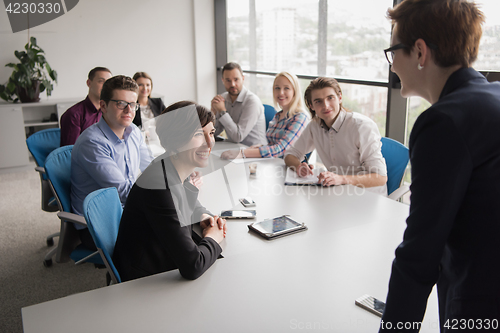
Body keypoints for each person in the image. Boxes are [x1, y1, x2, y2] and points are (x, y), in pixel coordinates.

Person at [380, 1, 500, 331]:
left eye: (393, 53)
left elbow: (419, 258)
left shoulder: (444, 122)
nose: (391, 67)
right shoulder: (493, 98)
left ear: (420, 52)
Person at [113, 101, 226, 282]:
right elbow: (193, 266)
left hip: (162, 256)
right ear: (176, 139)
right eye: (198, 134)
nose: (208, 142)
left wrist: (202, 215)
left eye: (211, 133)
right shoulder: (158, 185)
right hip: (146, 279)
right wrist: (213, 238)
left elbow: (185, 199)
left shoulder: (172, 163)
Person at [71, 75, 153, 249]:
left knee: (176, 222)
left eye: (133, 104)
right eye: (120, 103)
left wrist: (178, 176)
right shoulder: (92, 142)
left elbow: (151, 168)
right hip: (101, 222)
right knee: (166, 235)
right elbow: (122, 191)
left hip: (126, 208)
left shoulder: (133, 132)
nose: (128, 110)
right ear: (103, 106)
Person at [284, 77, 387, 194]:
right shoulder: (314, 126)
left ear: (340, 97)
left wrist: (341, 179)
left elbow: (380, 178)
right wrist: (299, 167)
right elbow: (290, 154)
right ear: (311, 106)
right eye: (318, 101)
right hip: (337, 193)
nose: (326, 105)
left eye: (330, 98)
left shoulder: (361, 127)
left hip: (368, 196)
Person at [220, 71, 309, 159]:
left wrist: (243, 153)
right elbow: (271, 144)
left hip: (290, 168)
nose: (281, 92)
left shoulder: (300, 117)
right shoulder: (278, 115)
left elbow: (281, 149)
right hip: (271, 164)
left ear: (295, 91)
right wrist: (260, 147)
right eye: (277, 88)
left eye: (286, 88)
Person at [211, 62, 267, 146]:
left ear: (243, 78)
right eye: (228, 80)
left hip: (256, 152)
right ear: (223, 80)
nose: (233, 84)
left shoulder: (252, 101)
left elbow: (238, 137)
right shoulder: (223, 98)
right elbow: (214, 133)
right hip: (235, 148)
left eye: (236, 79)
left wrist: (222, 112)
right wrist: (213, 114)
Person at [59, 67, 112, 146]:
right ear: (89, 83)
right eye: (101, 81)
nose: (106, 86)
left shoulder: (110, 111)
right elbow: (70, 150)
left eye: (108, 83)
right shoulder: (73, 115)